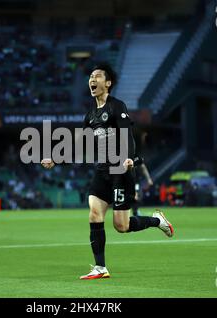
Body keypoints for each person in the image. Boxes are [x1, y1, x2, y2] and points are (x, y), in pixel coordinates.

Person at [41, 63, 174, 280]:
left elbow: (127, 134)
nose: (92, 80)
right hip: (102, 170)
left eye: (97, 76)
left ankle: (157, 221)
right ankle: (100, 267)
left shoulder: (117, 106)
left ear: (108, 83)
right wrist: (57, 158)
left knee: (122, 226)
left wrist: (129, 157)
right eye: (91, 76)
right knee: (94, 213)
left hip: (121, 171)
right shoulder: (91, 114)